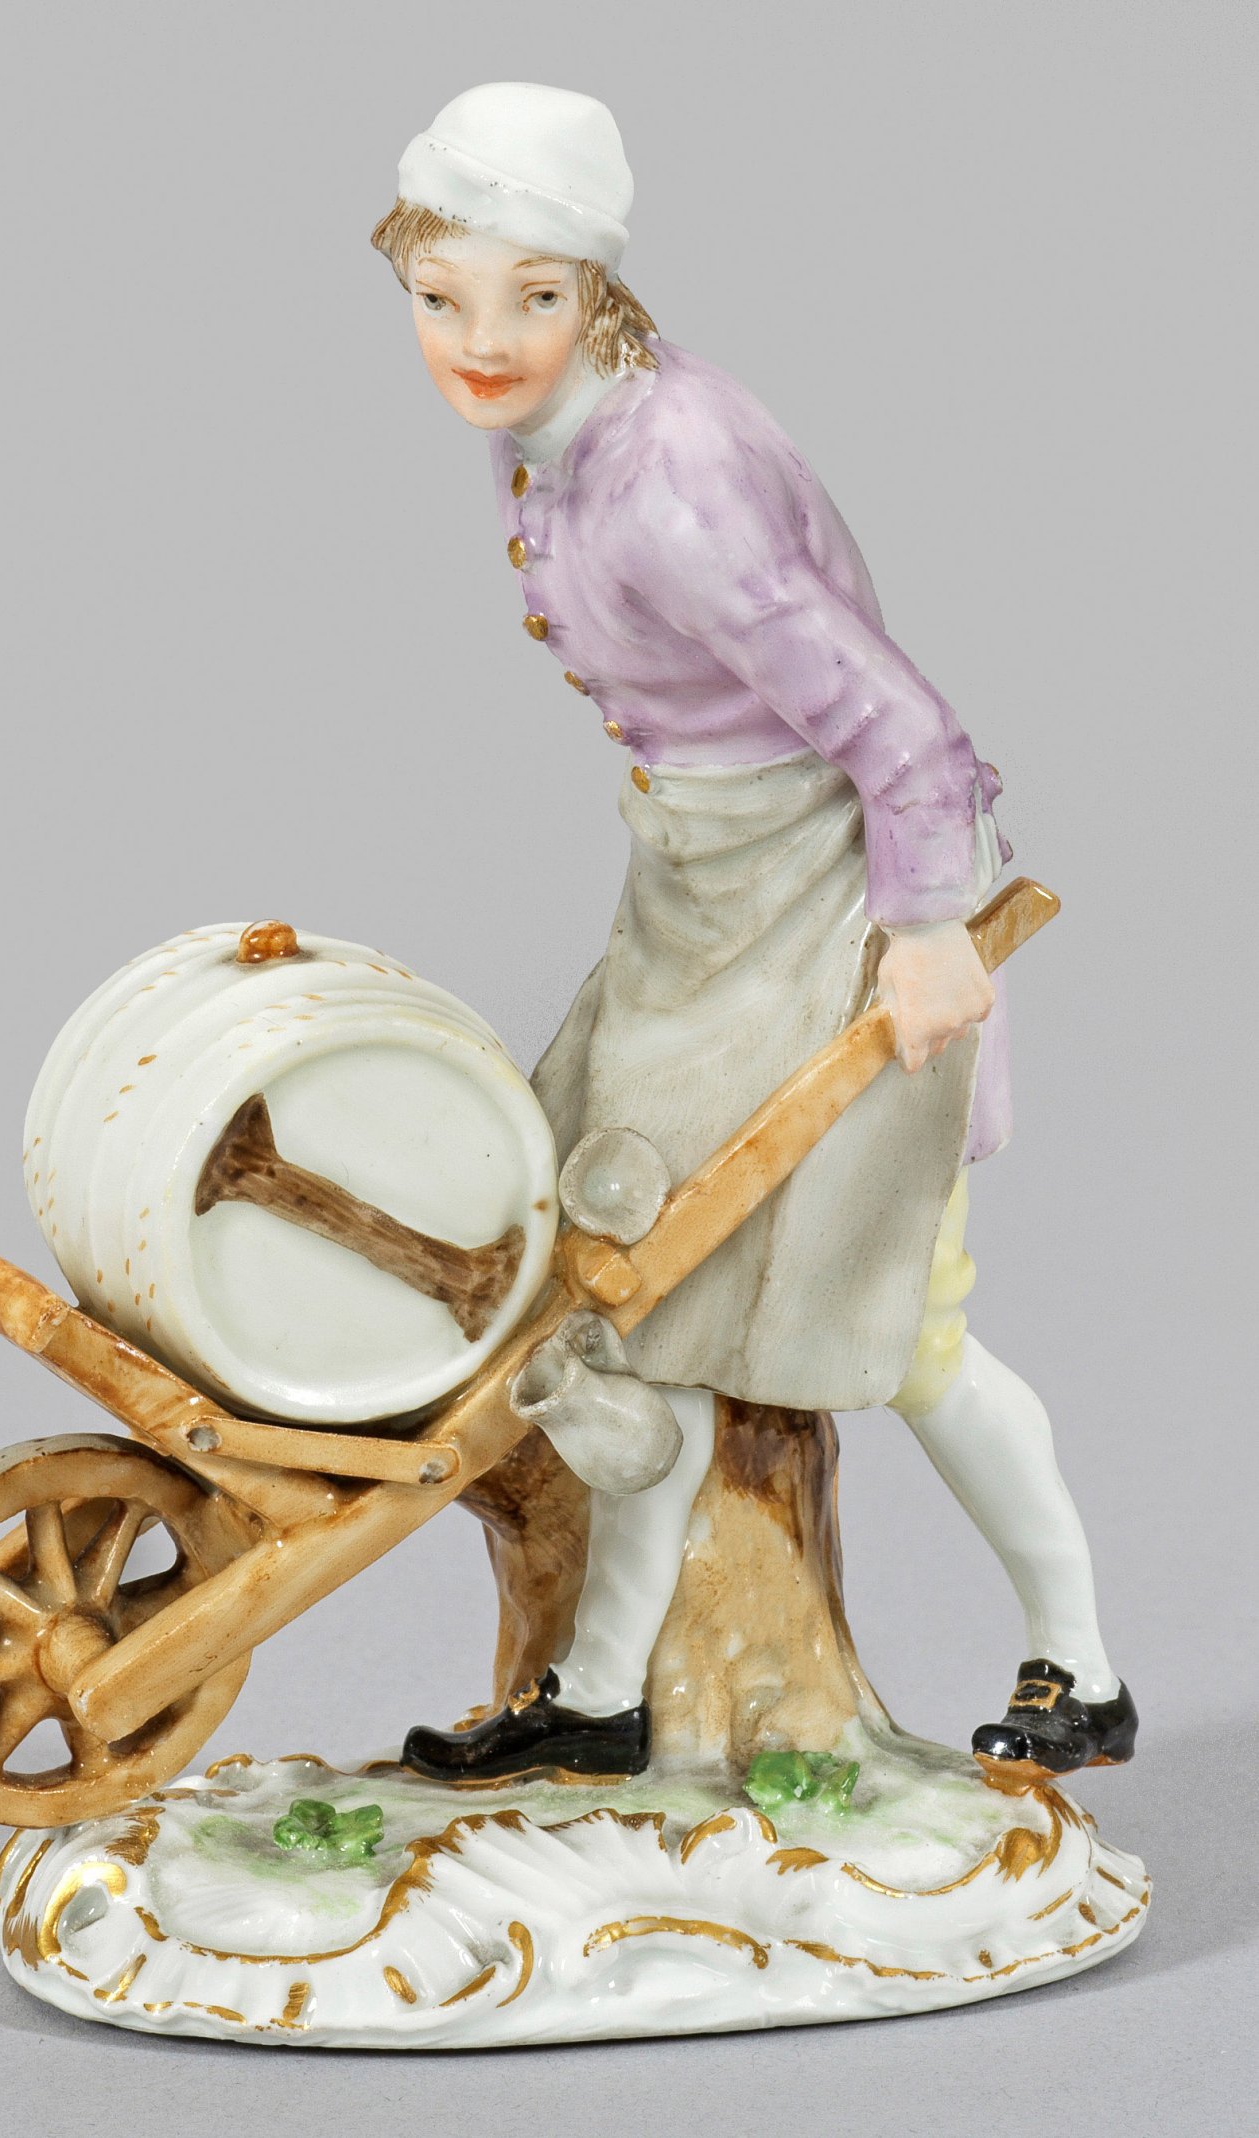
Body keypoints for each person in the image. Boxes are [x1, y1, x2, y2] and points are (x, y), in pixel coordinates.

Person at [372, 82, 1135, 1786]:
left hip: (829, 884)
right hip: (703, 883)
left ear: (595, 285)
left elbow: (901, 726)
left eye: (532, 297)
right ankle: (600, 1689)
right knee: (639, 1289)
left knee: (909, 1327)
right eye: (439, 297)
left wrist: (925, 929)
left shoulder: (673, 486)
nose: (480, 343)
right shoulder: (557, 418)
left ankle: (1080, 1660)